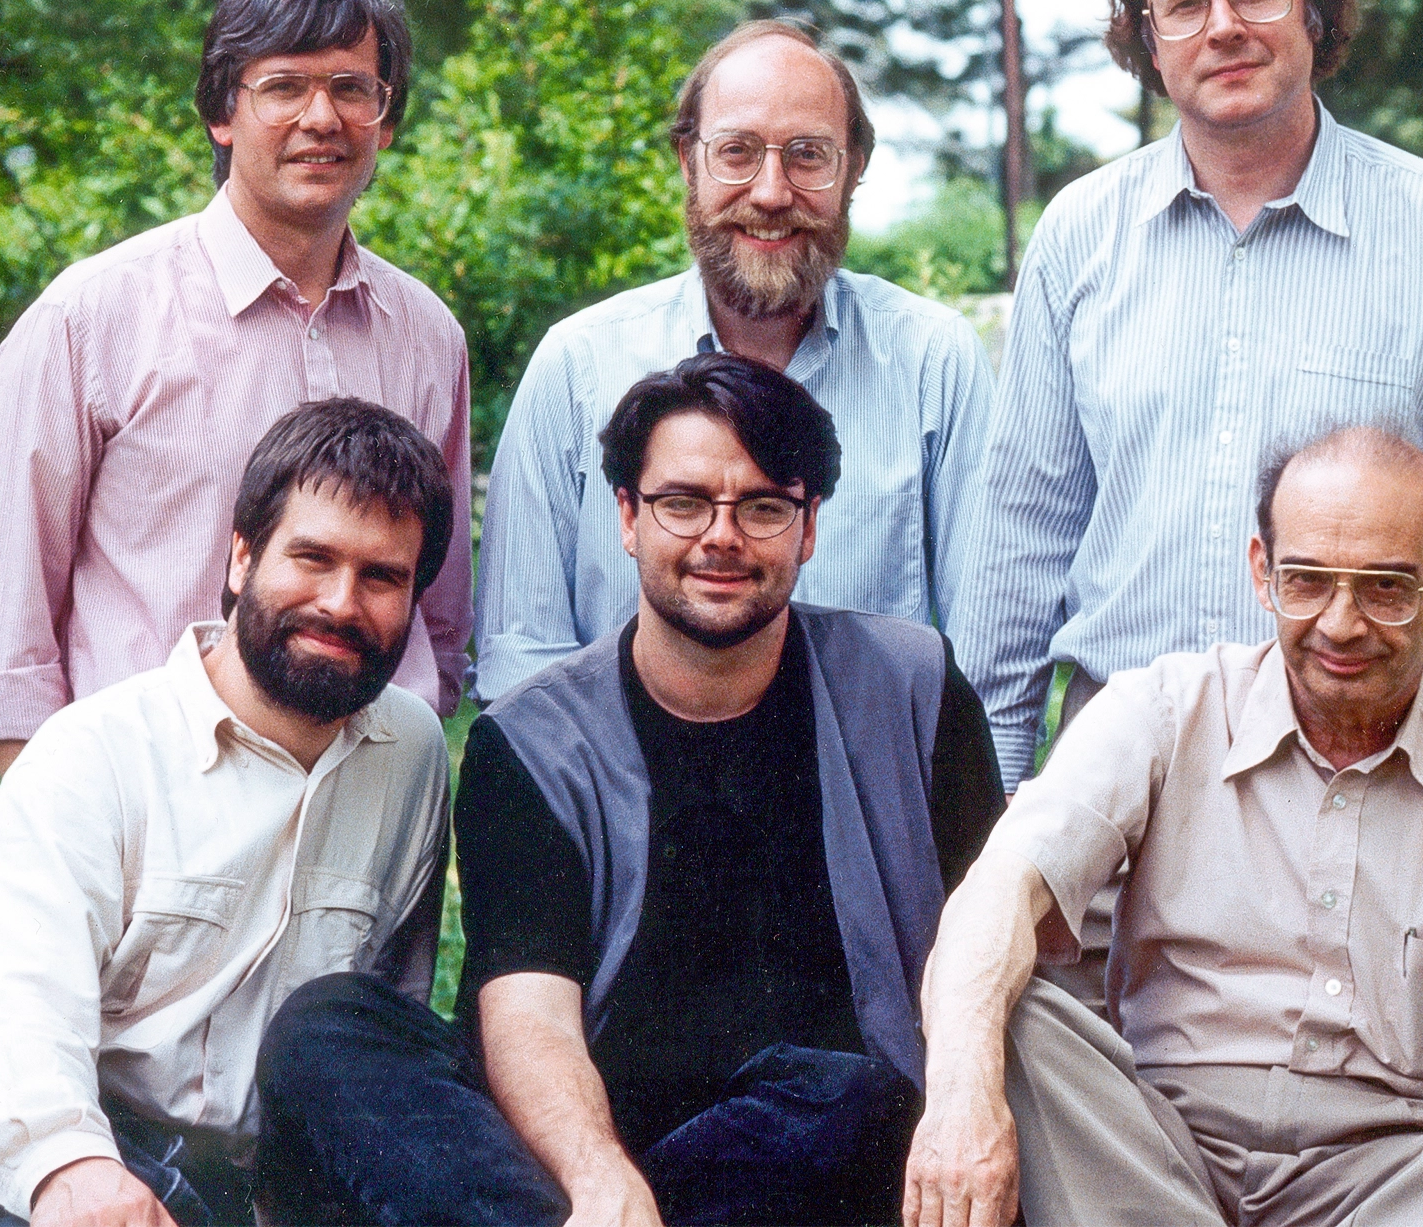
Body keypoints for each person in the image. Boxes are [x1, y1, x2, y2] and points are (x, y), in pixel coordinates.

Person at [258, 354, 1005, 1227]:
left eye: (763, 506)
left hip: (816, 1156)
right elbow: (526, 1007)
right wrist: (598, 1177)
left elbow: (987, 933)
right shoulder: (534, 740)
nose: (720, 537)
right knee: (330, 1026)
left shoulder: (910, 686)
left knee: (848, 1093)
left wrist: (967, 1096)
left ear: (808, 528)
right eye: (683, 502)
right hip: (585, 1163)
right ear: (626, 515)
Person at [903, 425, 1423, 1227]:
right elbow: (999, 891)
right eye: (1306, 581)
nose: (1339, 622)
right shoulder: (1161, 708)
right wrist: (958, 1104)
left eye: (1385, 588)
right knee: (1006, 1013)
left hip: (1400, 1182)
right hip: (1159, 1159)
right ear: (1262, 571)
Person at [955, 0, 1423, 800]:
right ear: (1147, 39)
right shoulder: (1078, 236)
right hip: (1122, 770)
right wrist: (983, 818)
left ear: (1314, 9)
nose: (1223, 27)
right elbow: (1021, 542)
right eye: (1186, 4)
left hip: (1364, 761)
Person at [0, 398, 458, 1227]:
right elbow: (0, 1001)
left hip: (220, 1185)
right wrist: (70, 1169)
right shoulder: (98, 751)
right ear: (240, 556)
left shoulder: (409, 755)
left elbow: (377, 1033)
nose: (341, 602)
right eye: (312, 557)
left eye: (381, 576)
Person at [0, 0, 473, 774]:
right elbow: (2, 627)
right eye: (284, 85)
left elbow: (435, 613)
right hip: (142, 803)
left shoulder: (428, 336)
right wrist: (69, 825)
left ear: (387, 119)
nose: (321, 117)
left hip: (360, 801)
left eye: (352, 88)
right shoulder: (91, 319)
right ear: (222, 113)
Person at [474, 20, 995, 701]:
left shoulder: (934, 363)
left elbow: (986, 651)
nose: (773, 192)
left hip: (866, 800)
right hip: (623, 799)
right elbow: (521, 658)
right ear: (688, 161)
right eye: (738, 152)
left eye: (808, 155)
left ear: (854, 169)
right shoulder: (579, 367)